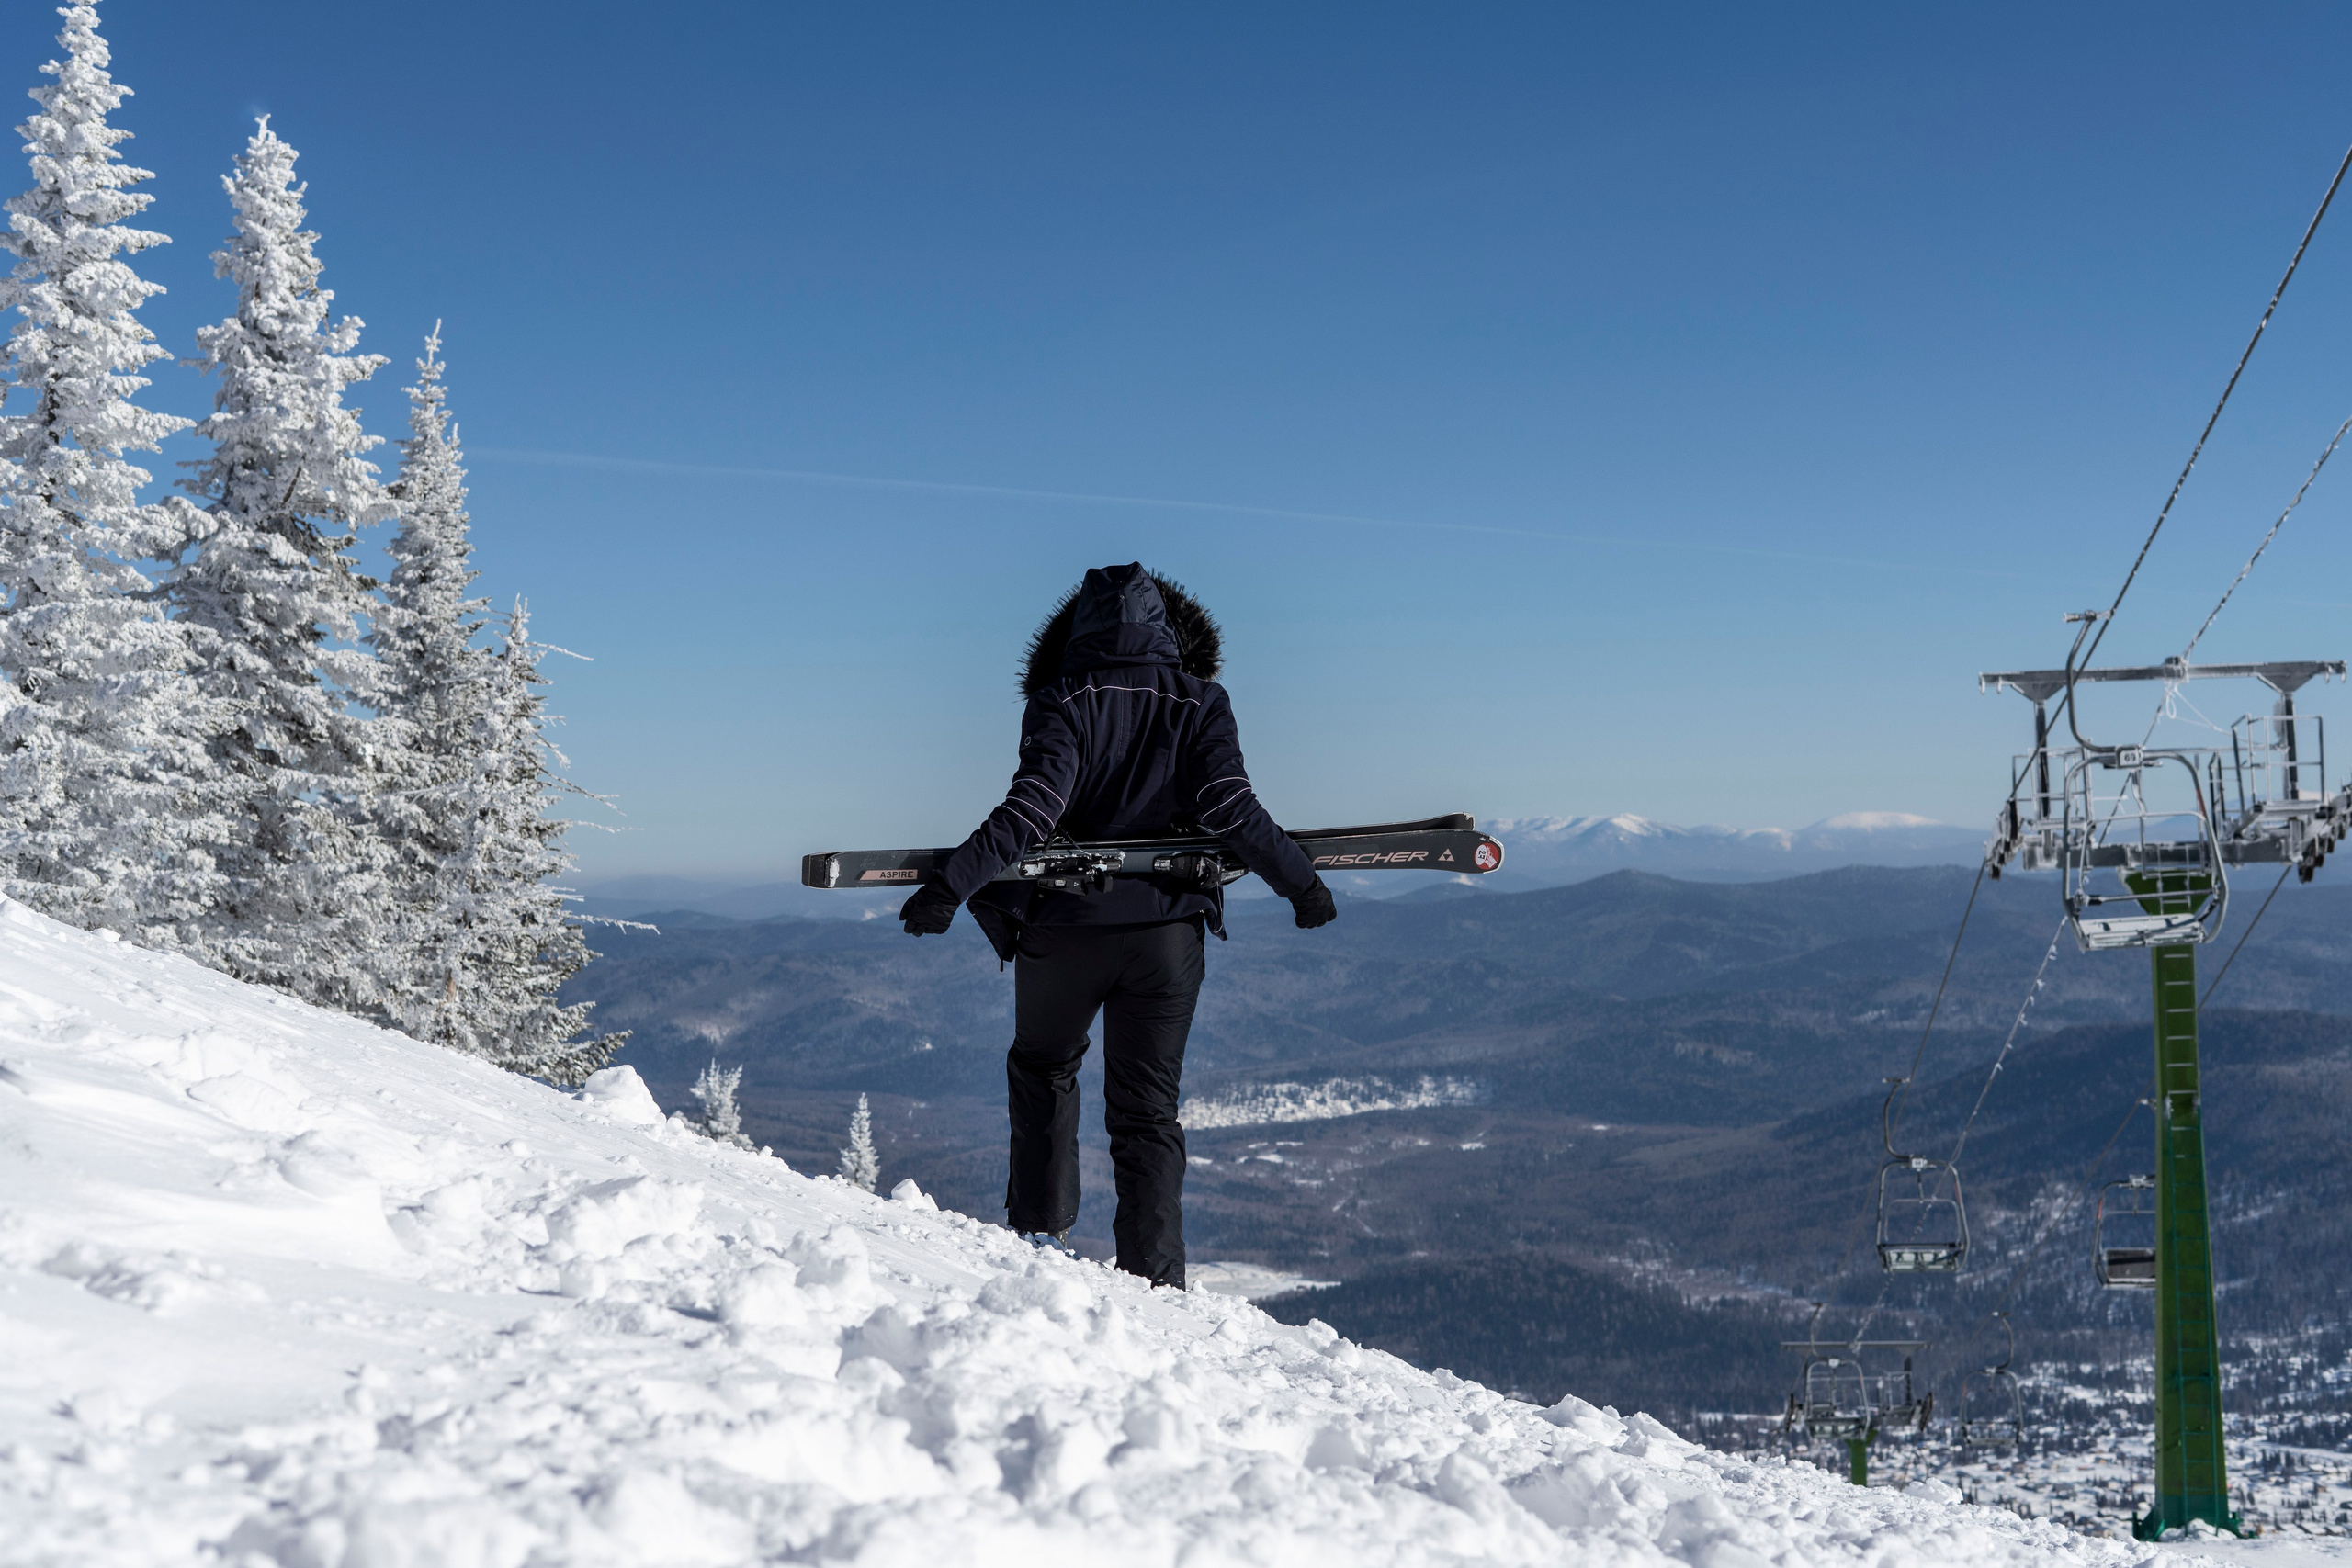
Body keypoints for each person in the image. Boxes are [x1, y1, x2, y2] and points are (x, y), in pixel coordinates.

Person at [899, 563, 1335, 1289]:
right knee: (1148, 1114)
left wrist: (950, 887)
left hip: (1066, 930)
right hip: (1166, 936)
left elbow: (1032, 810)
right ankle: (1157, 1283)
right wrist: (1303, 884)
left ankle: (1040, 1241)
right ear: (1167, 629)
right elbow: (1232, 808)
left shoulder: (1060, 700)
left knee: (1043, 1068)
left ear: (1078, 632)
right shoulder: (1202, 700)